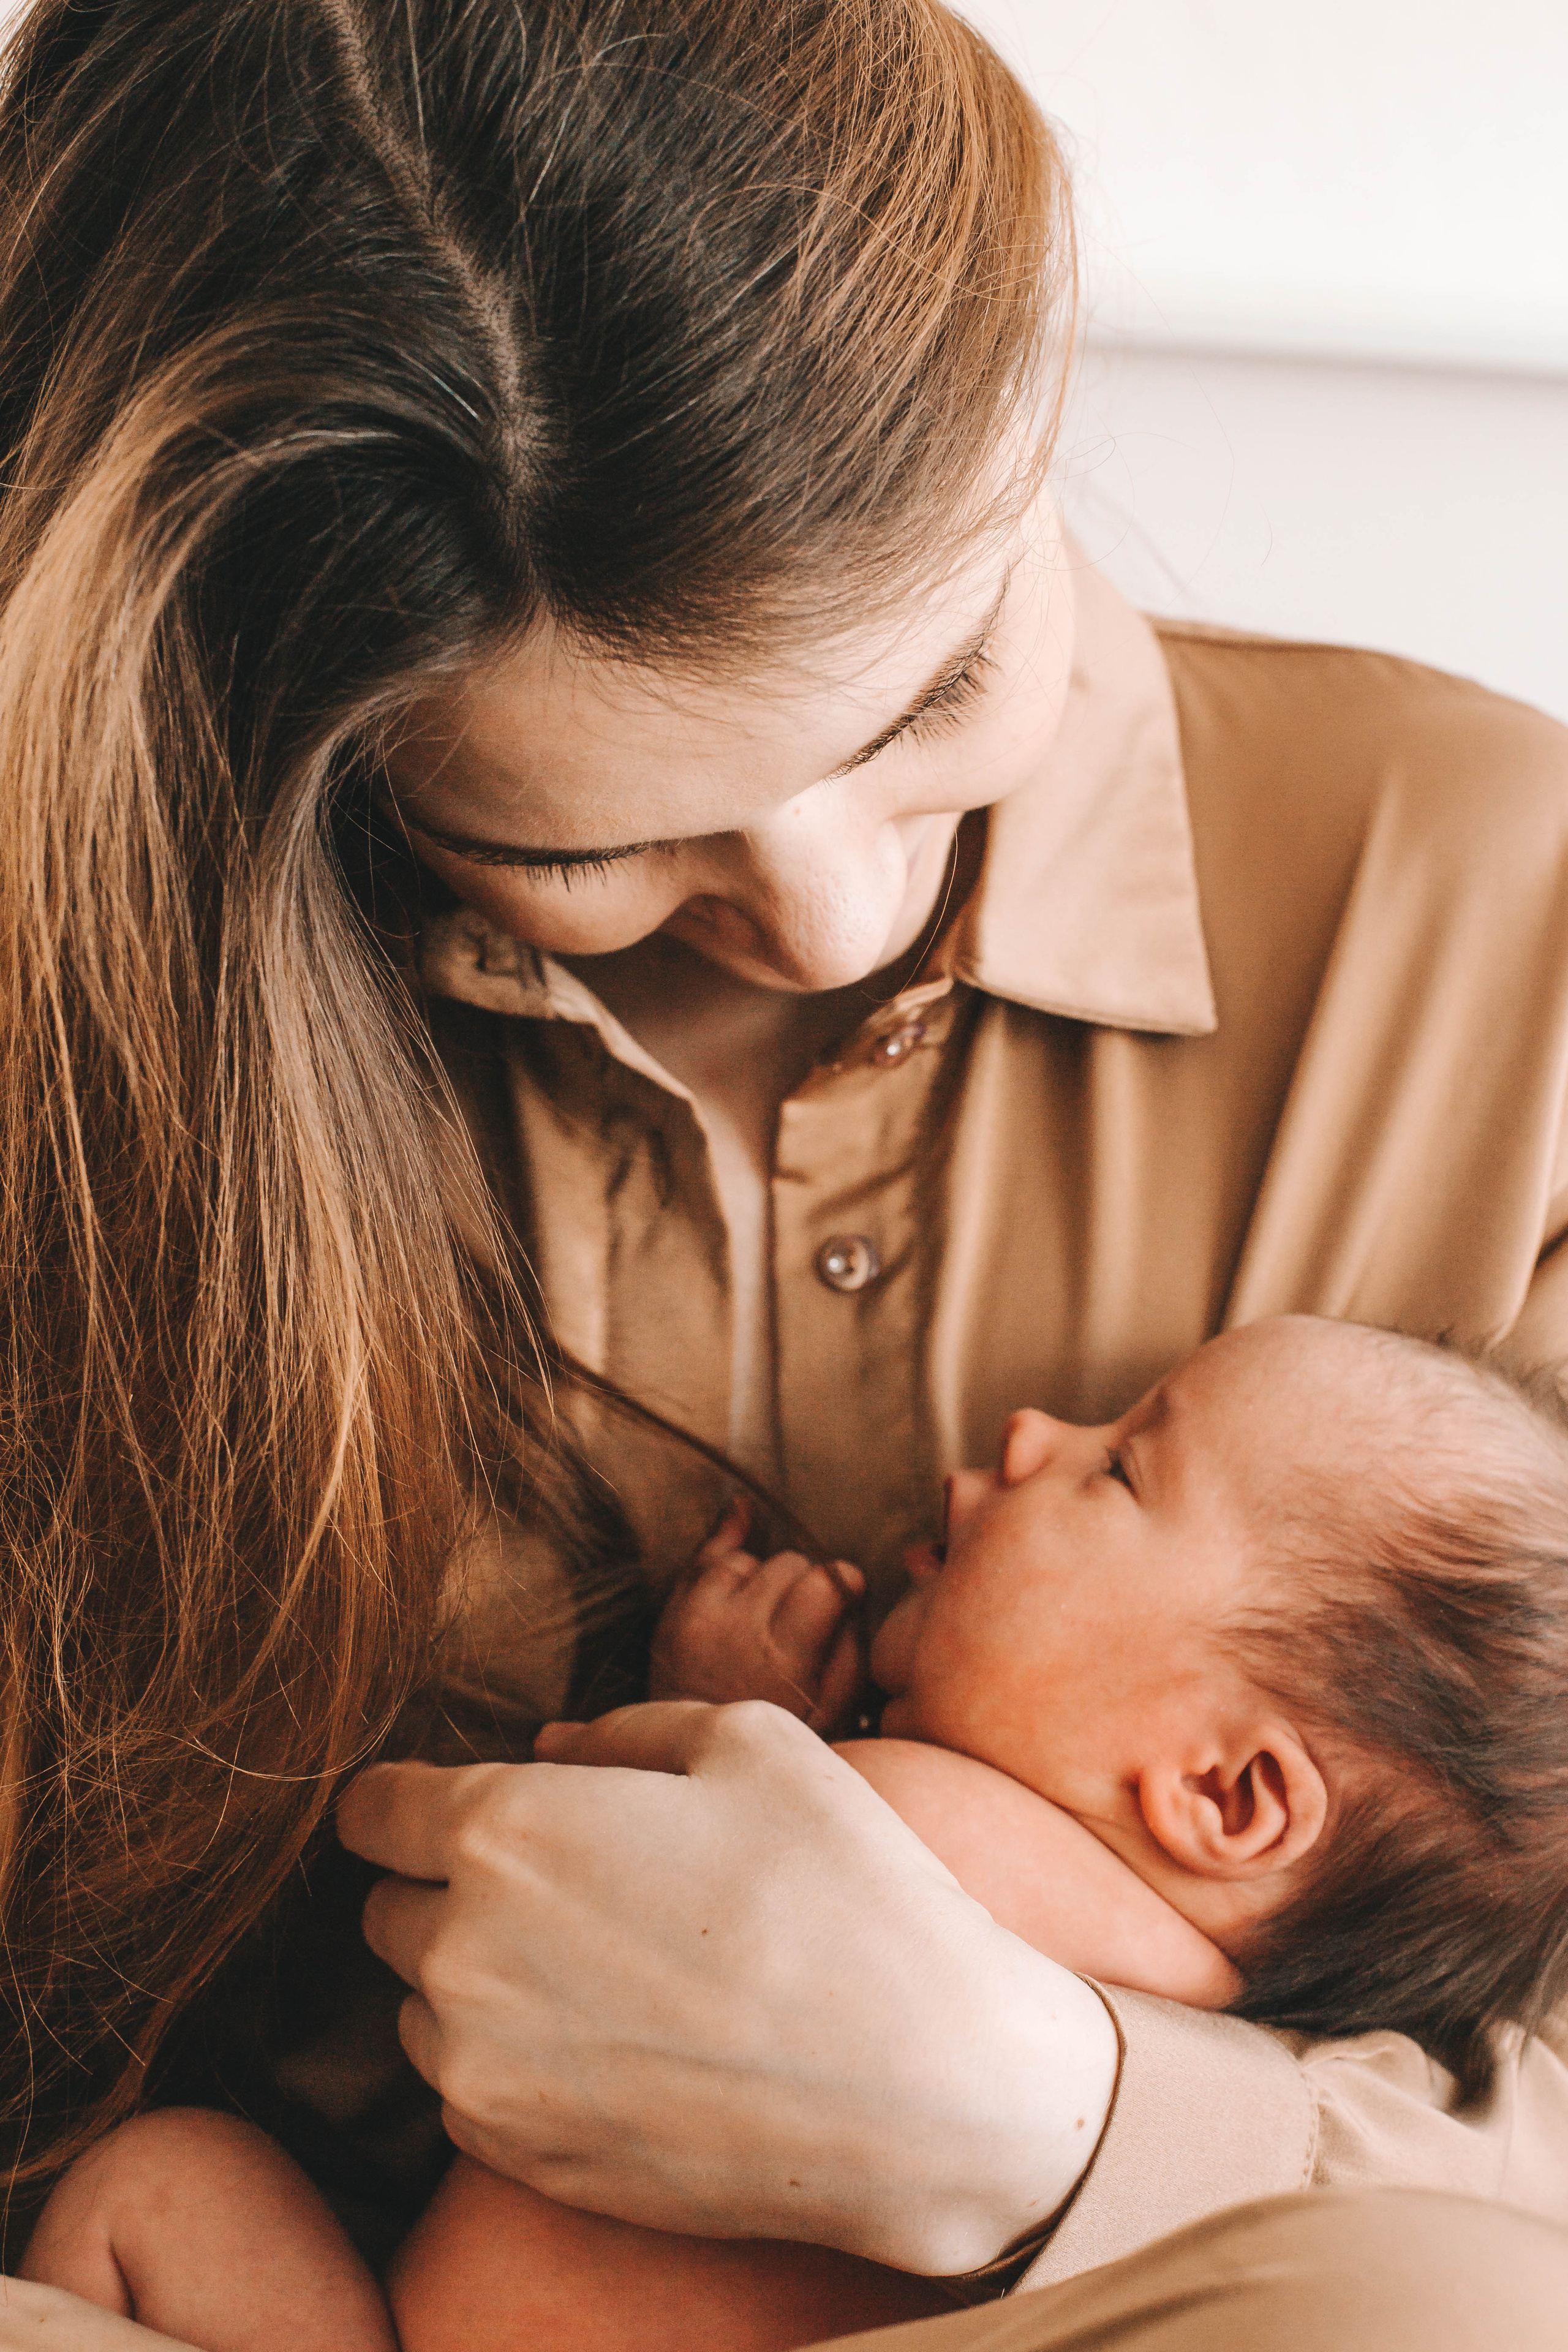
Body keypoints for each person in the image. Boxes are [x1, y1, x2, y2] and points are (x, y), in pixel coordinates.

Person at [4, 0, 1568, 2346]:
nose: (836, 915)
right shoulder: (88, 1018)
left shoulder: (1504, 926)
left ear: (1034, 409)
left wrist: (1039, 2119)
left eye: (936, 690)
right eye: (594, 846)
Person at [21, 1316, 1568, 2350]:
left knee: (156, 2188)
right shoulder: (1239, 2031)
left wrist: (717, 1709)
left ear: (1224, 1795)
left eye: (1118, 1465)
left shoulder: (938, 1828)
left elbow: (606, 1864)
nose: (1032, 1429)